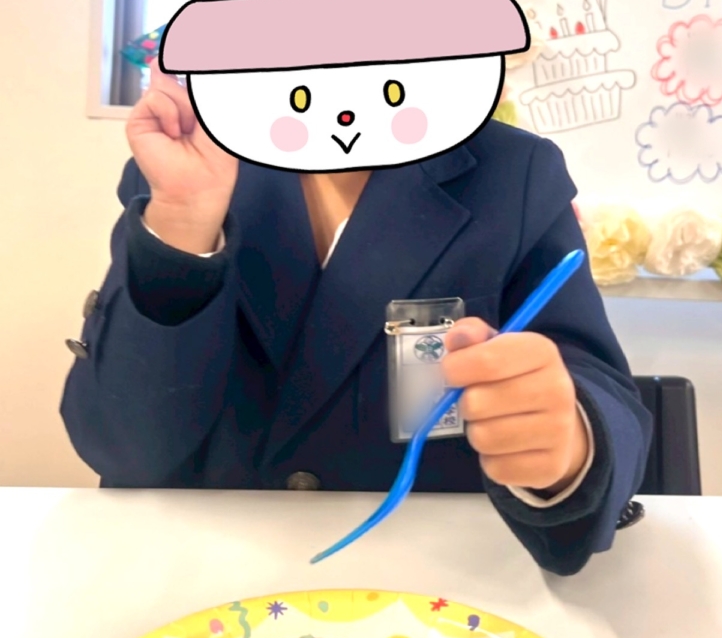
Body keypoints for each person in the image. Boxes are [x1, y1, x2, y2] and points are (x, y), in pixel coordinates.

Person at [60, 62, 652, 576]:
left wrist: (569, 442)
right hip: (201, 578)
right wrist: (183, 225)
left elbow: (599, 391)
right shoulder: (190, 157)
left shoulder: (514, 172)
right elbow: (119, 444)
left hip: (432, 586)